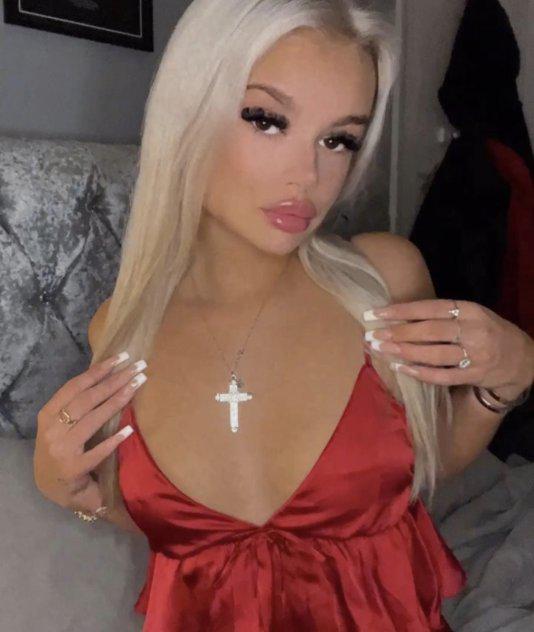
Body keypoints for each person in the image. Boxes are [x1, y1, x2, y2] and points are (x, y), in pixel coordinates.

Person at [34, 0, 534, 629]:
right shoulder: (119, 329)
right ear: (189, 114)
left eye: (338, 139)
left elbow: (423, 466)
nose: (309, 175)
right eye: (267, 120)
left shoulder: (383, 282)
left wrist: (507, 380)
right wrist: (71, 493)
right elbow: (194, 546)